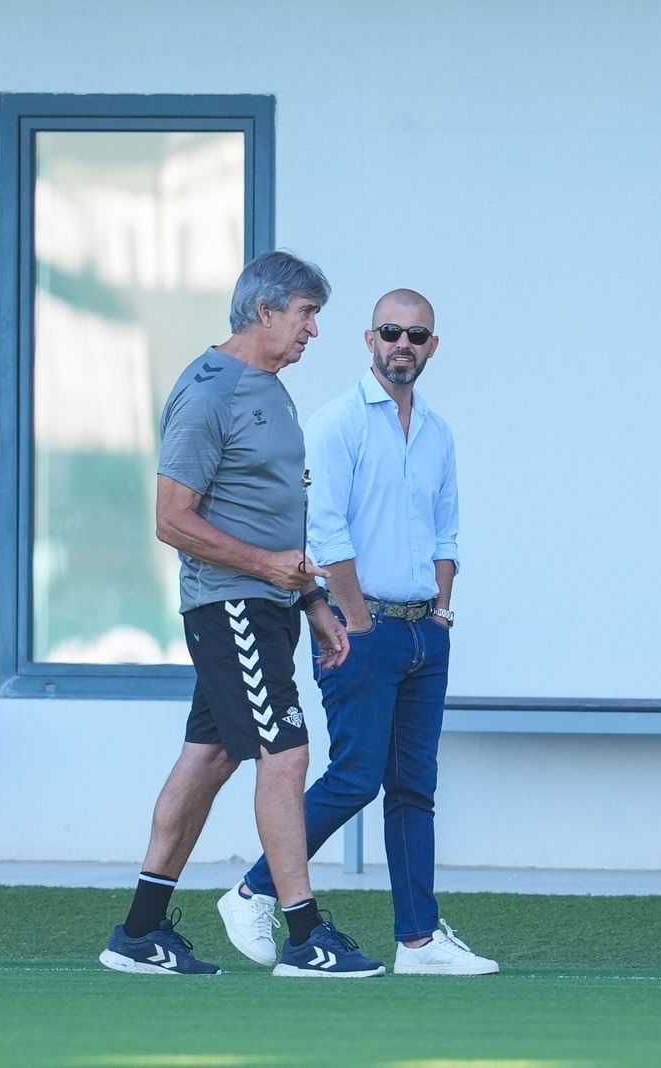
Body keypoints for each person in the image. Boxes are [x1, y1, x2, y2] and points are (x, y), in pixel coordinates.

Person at [99, 251, 383, 978]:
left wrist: (312, 597)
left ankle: (138, 934)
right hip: (229, 605)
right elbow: (171, 520)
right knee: (286, 754)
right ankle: (305, 936)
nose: (314, 330)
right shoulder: (207, 393)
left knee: (210, 756)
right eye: (305, 314)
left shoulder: (271, 388)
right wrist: (268, 572)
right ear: (264, 311)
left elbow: (275, 512)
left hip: (269, 602)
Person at [216, 288, 498, 975]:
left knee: (413, 788)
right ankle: (253, 890)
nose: (405, 344)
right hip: (357, 627)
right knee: (356, 777)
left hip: (424, 634)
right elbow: (324, 528)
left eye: (418, 335)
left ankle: (419, 941)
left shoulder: (436, 431)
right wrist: (359, 621)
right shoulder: (337, 422)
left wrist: (442, 614)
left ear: (433, 347)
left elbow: (447, 531)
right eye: (392, 332)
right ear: (369, 339)